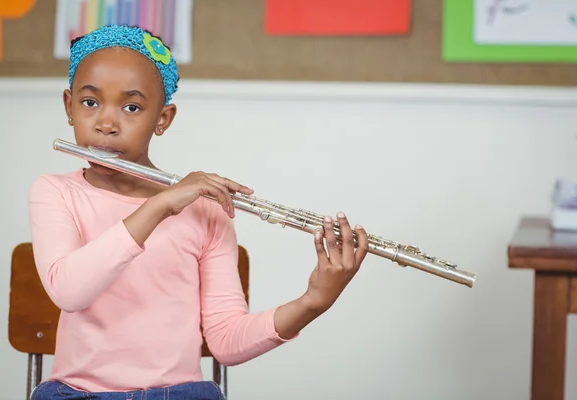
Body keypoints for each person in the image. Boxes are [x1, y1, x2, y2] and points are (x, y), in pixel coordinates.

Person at [27, 24, 369, 400]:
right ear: (69, 107)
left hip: (179, 393)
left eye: (132, 107)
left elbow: (226, 341)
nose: (106, 124)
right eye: (90, 102)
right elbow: (69, 291)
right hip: (80, 394)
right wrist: (159, 205)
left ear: (163, 118)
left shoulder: (205, 210)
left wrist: (312, 301)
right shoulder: (55, 192)